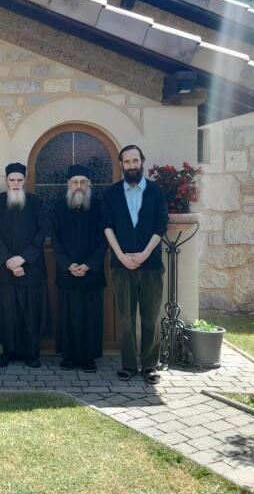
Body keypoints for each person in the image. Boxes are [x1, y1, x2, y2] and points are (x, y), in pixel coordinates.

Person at [102, 145, 168, 385]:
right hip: (121, 267)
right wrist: (120, 255)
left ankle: (150, 365)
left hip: (150, 265)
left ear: (142, 161)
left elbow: (161, 225)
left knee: (150, 317)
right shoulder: (111, 194)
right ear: (121, 165)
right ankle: (129, 365)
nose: (131, 165)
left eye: (135, 160)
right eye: (127, 162)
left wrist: (144, 254)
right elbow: (107, 226)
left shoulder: (155, 191)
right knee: (126, 319)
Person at [0, 163, 46, 368]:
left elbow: (41, 234)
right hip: (6, 268)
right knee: (7, 312)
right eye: (12, 180)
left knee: (29, 312)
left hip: (31, 267)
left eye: (19, 180)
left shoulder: (36, 202)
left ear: (25, 180)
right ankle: (8, 352)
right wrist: (8, 260)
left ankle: (30, 353)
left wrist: (23, 259)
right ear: (6, 181)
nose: (15, 184)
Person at [52, 164, 106, 373]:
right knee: (69, 315)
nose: (79, 186)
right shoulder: (58, 207)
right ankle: (68, 356)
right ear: (68, 184)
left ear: (89, 184)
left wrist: (89, 264)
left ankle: (88, 358)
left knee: (91, 317)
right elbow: (55, 240)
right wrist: (68, 265)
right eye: (75, 182)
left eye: (83, 182)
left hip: (92, 272)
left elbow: (104, 240)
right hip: (68, 272)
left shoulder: (99, 206)